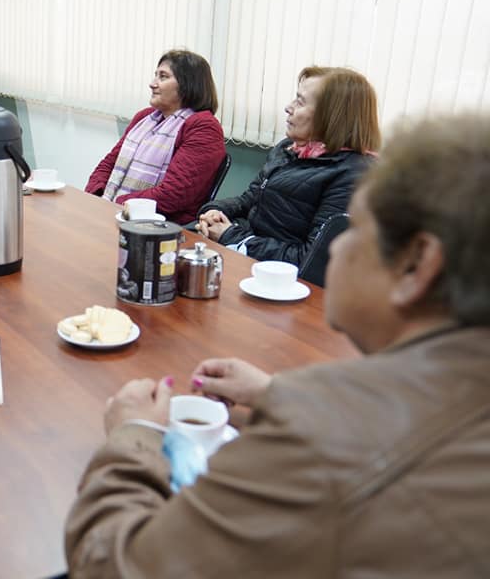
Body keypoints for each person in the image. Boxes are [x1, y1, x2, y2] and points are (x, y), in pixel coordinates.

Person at [64, 112, 490, 577]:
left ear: (417, 265)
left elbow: (113, 565)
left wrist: (134, 438)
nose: (337, 247)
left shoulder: (318, 446)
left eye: (356, 230)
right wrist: (280, 396)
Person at [196, 66, 380, 265]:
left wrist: (232, 236)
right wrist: (214, 211)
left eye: (300, 102)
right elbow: (250, 199)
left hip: (283, 281)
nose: (288, 107)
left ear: (332, 116)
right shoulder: (288, 148)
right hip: (248, 258)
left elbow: (309, 261)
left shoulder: (353, 174)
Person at [84, 50, 225, 224]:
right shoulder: (144, 117)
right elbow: (107, 165)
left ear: (187, 85)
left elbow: (173, 195)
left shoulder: (204, 127)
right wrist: (96, 198)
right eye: (155, 75)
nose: (152, 84)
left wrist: (116, 205)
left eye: (163, 77)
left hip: (161, 229)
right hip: (117, 213)